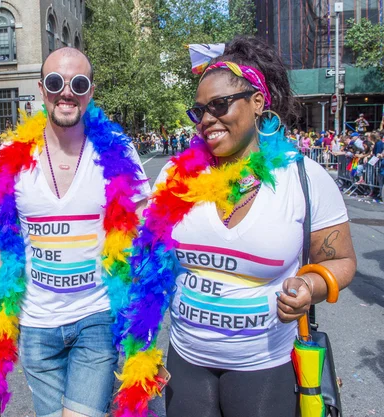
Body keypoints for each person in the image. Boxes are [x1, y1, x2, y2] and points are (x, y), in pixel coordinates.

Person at [120, 37, 357, 417]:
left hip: (264, 364)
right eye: (199, 111)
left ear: (258, 102)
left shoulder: (304, 178)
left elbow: (342, 259)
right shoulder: (175, 176)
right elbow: (145, 253)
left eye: (220, 104)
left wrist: (310, 286)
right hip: (187, 359)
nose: (208, 119)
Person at [0, 47, 151, 417]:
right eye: (57, 82)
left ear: (90, 91)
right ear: (42, 89)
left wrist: (141, 329)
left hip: (96, 317)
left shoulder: (118, 153)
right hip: (35, 324)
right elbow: (1, 250)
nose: (67, 92)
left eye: (78, 83)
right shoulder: (11, 155)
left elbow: (145, 242)